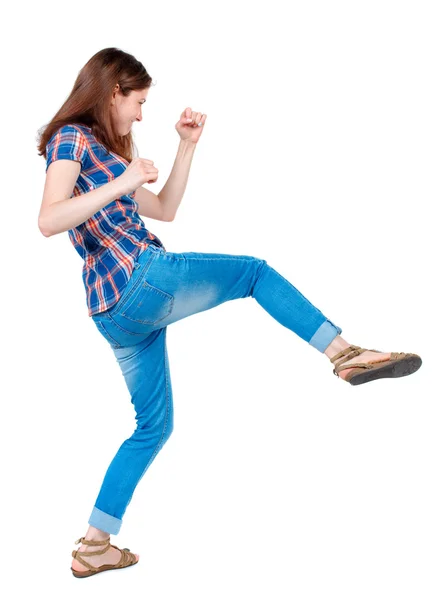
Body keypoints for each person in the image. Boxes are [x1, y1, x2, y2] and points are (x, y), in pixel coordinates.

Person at [37, 47, 422, 578]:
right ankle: (344, 353)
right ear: (112, 93)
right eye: (139, 102)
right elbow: (49, 219)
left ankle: (94, 544)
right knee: (255, 273)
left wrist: (186, 148)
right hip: (138, 279)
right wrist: (126, 181)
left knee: (153, 426)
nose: (142, 114)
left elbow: (166, 209)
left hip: (116, 314)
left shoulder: (108, 152)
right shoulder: (72, 139)